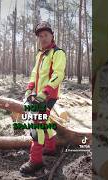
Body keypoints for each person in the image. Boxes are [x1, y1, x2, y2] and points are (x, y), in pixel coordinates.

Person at [20, 21, 66, 174]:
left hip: (48, 95)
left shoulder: (58, 53)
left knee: (36, 125)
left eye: (46, 35)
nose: (43, 38)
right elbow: (34, 74)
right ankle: (51, 148)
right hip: (38, 95)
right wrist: (29, 89)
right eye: (40, 36)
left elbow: (58, 75)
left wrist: (45, 92)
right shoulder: (40, 54)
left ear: (52, 35)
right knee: (44, 121)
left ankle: (36, 160)